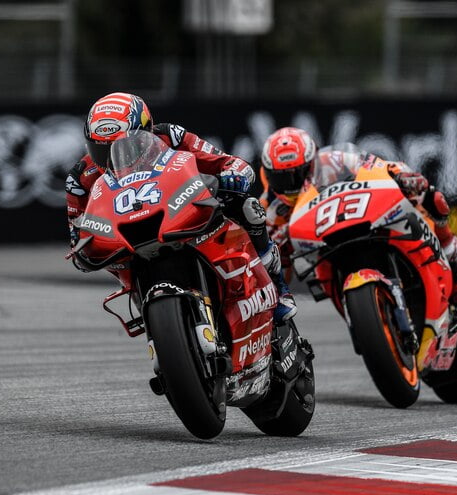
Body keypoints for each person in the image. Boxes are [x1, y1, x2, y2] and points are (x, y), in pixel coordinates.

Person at [66, 92, 296, 323]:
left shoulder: (171, 136)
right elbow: (78, 236)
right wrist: (84, 247)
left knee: (247, 207)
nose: (110, 158)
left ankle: (278, 287)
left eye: (122, 146)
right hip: (128, 240)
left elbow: (230, 163)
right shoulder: (79, 179)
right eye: (100, 150)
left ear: (146, 131)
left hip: (181, 213)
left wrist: (231, 177)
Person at [259, 126, 457, 305]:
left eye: (299, 173)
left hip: (359, 219)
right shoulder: (268, 208)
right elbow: (275, 273)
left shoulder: (333, 162)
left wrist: (400, 175)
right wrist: (276, 252)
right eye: (283, 179)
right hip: (326, 257)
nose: (292, 184)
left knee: (432, 198)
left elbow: (375, 166)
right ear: (268, 175)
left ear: (312, 163)